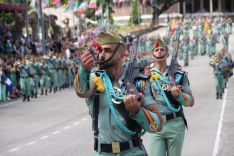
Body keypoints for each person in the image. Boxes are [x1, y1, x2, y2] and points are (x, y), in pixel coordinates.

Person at [74, 32, 163, 155]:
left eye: (107, 50)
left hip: (133, 152)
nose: (101, 55)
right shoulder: (95, 79)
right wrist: (83, 70)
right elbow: (81, 91)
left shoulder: (138, 82)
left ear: (121, 55)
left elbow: (157, 125)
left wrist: (138, 112)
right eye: (100, 51)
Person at [142, 39, 194, 156]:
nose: (159, 52)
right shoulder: (146, 75)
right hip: (156, 124)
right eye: (156, 50)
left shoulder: (178, 75)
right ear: (152, 54)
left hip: (175, 123)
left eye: (162, 49)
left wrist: (179, 96)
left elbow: (190, 101)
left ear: (168, 54)